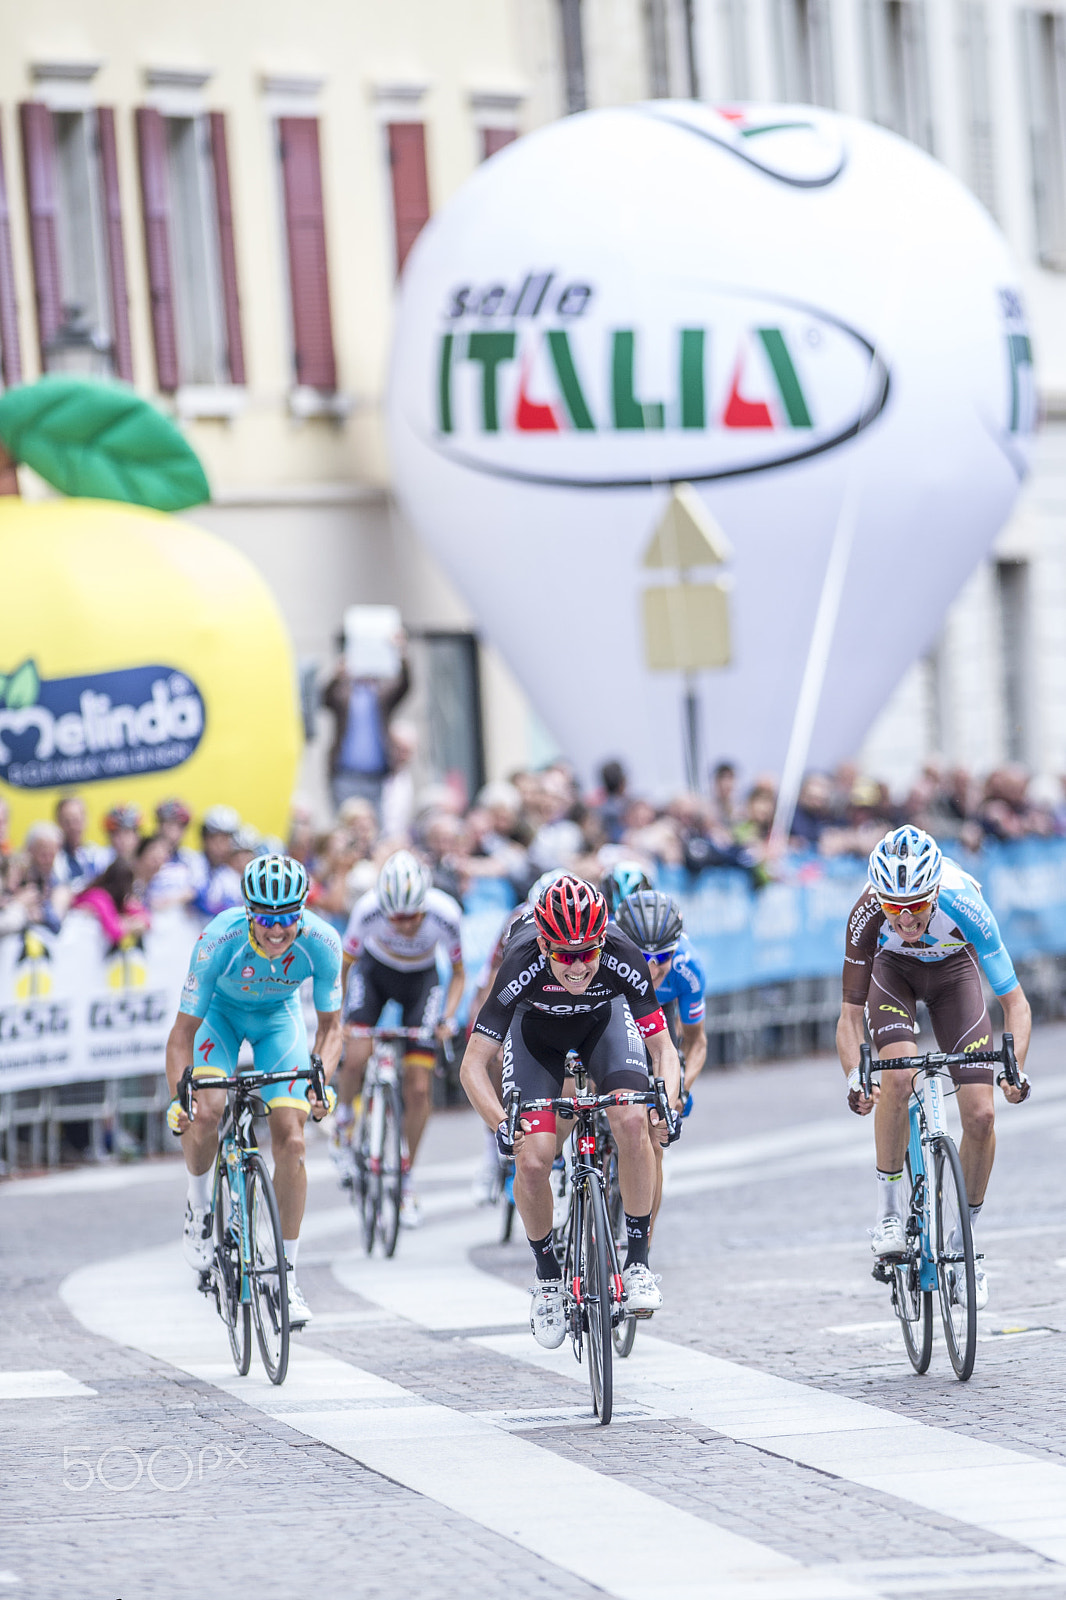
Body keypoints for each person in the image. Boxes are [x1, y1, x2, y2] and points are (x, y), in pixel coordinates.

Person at [459, 875, 681, 1349]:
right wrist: (500, 1123)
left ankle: (637, 1263)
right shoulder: (521, 959)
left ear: (603, 940)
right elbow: (473, 1066)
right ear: (544, 943)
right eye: (563, 954)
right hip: (536, 1036)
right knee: (534, 1159)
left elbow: (663, 1047)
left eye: (588, 953)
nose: (577, 966)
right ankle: (547, 1279)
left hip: (603, 1025)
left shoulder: (622, 954)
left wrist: (667, 1098)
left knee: (633, 1118)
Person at [836, 825, 1031, 1310]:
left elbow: (1017, 1003)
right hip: (892, 974)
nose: (904, 918)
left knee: (982, 1116)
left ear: (936, 892)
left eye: (917, 905)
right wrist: (854, 1078)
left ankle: (964, 1246)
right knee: (897, 1077)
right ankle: (887, 1213)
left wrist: (1014, 1069)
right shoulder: (865, 914)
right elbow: (847, 1017)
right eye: (893, 907)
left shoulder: (966, 904)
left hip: (953, 975)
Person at [164, 855, 343, 1328]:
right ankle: (199, 1205)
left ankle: (285, 1275)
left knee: (294, 1139)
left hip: (277, 1024)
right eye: (265, 918)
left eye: (287, 917)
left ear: (302, 911)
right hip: (219, 1018)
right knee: (208, 1111)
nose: (277, 929)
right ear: (248, 913)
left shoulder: (322, 943)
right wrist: (179, 1100)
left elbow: (332, 1028)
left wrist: (323, 1078)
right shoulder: (218, 940)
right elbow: (181, 1036)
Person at [338, 849, 464, 1226]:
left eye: (413, 917)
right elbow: (345, 968)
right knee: (358, 1052)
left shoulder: (446, 913)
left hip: (422, 982)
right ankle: (344, 1121)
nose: (406, 925)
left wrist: (446, 1018)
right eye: (397, 918)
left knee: (419, 1087)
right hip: (373, 974)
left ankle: (405, 1174)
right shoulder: (367, 910)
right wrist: (344, 1016)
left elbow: (457, 974)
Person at [322, 632, 410, 816]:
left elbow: (404, 685)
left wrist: (400, 652)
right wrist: (336, 676)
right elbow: (325, 698)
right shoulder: (344, 693)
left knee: (374, 826)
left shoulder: (381, 695)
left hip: (376, 776)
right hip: (345, 774)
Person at [72, 858, 150, 946]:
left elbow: (146, 919)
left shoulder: (118, 898)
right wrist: (129, 923)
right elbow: (115, 932)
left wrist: (131, 920)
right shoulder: (98, 896)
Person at [193, 806, 243, 920]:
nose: (221, 846)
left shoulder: (232, 878)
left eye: (226, 840)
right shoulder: (190, 862)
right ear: (205, 838)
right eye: (215, 839)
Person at [53, 796, 108, 892]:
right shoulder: (53, 859)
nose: (72, 826)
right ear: (58, 823)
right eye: (67, 821)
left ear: (86, 820)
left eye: (76, 820)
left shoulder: (99, 855)